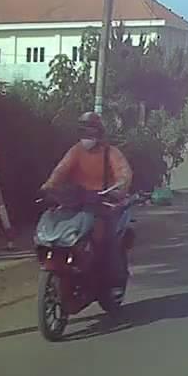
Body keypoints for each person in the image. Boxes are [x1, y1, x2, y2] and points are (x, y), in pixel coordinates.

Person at [41, 112, 134, 291]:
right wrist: (49, 186)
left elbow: (124, 173)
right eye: (83, 132)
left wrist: (118, 190)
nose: (87, 136)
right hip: (78, 202)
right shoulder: (76, 151)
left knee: (107, 241)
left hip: (104, 203)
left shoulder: (110, 153)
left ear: (99, 133)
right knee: (62, 230)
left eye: (91, 132)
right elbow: (61, 170)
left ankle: (111, 278)